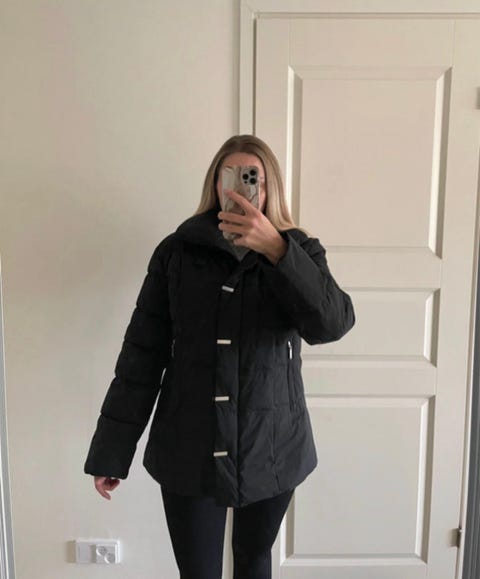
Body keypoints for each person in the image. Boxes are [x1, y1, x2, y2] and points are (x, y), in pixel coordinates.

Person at [84, 134, 356, 579]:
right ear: (215, 184)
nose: (241, 187)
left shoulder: (300, 251)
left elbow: (332, 324)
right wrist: (111, 452)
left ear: (270, 188)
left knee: (253, 562)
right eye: (230, 176)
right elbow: (142, 355)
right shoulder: (176, 252)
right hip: (189, 444)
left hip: (272, 445)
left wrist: (277, 250)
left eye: (253, 178)